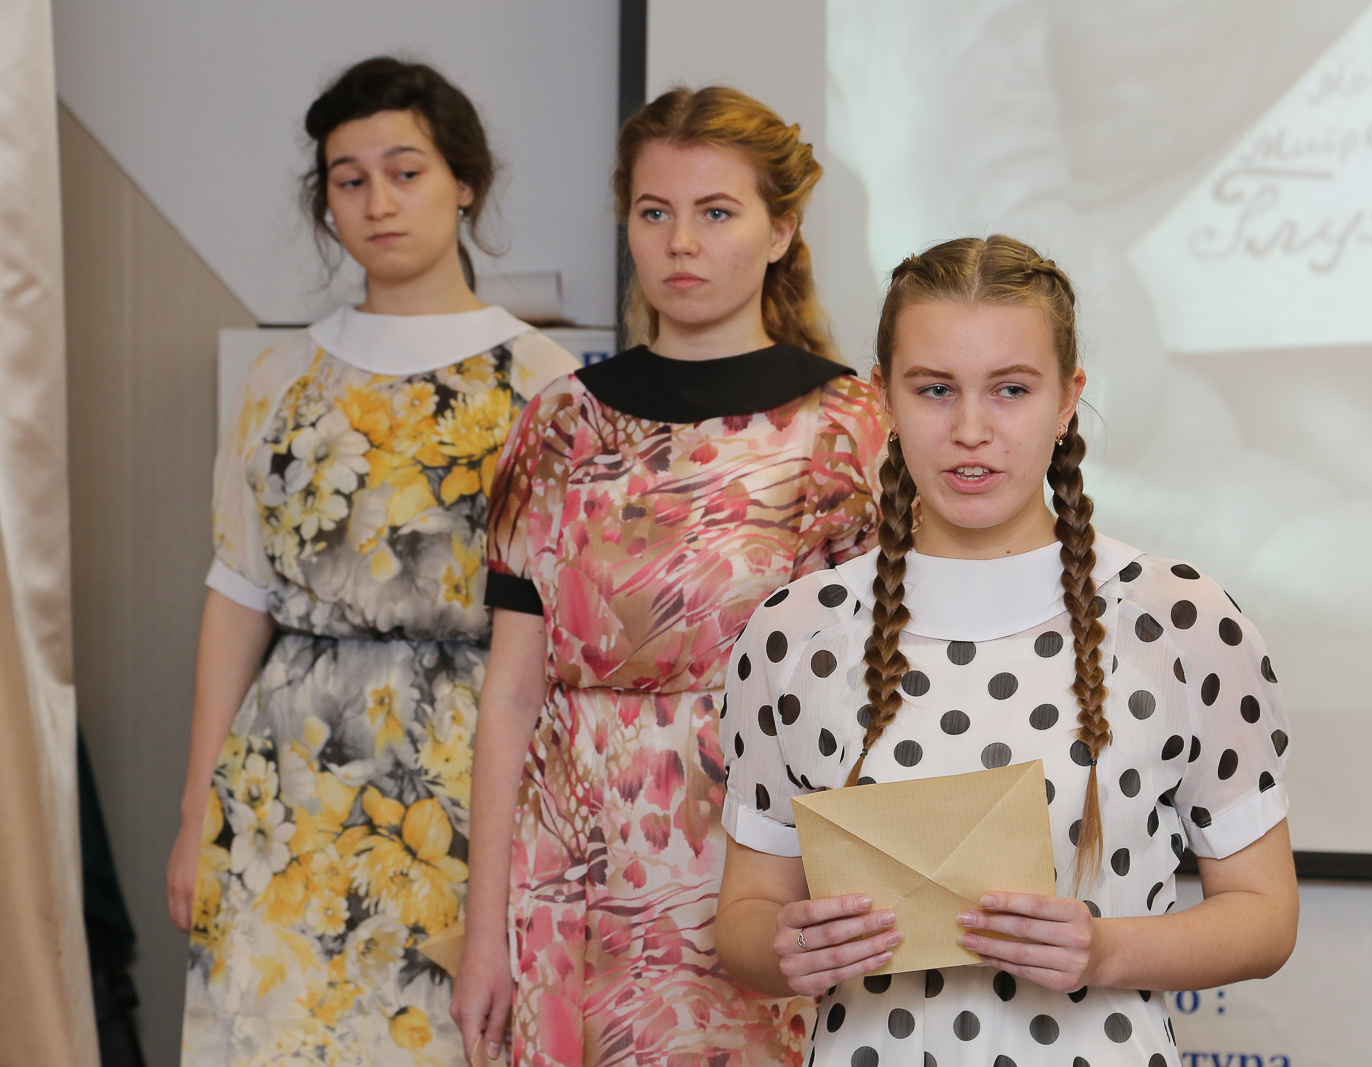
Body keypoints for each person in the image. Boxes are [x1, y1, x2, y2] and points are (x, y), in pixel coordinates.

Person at [715, 235, 1299, 1066]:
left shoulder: (1180, 620)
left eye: (1012, 390)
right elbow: (744, 914)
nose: (971, 430)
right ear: (883, 397)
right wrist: (790, 948)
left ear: (1068, 399)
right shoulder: (793, 632)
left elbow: (1266, 912)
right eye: (935, 389)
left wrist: (1105, 950)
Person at [451, 86, 887, 1066]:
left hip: (767, 871)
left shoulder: (852, 426)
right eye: (655, 212)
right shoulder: (557, 424)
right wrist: (484, 935)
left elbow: (879, 694)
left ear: (781, 231)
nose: (680, 242)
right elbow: (510, 695)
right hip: (571, 878)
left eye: (716, 212)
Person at [167, 57, 578, 1065]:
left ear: (463, 182)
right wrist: (196, 807)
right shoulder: (280, 376)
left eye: (405, 171)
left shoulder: (544, 381)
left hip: (465, 778)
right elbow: (238, 589)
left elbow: (557, 627)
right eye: (349, 180)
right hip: (282, 785)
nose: (378, 202)